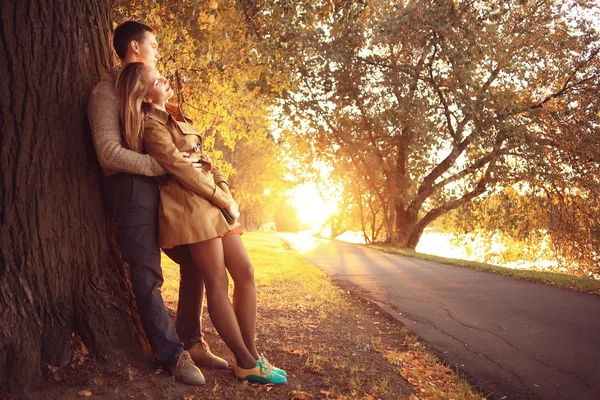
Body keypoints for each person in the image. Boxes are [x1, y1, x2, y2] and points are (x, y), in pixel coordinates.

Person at [115, 62, 288, 385]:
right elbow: (180, 169)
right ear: (143, 92)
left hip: (211, 201)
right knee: (216, 279)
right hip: (190, 207)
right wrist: (220, 198)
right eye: (156, 80)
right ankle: (246, 361)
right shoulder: (151, 125)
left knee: (246, 272)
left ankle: (251, 356)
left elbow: (205, 159)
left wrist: (224, 189)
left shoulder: (179, 116)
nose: (165, 79)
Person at [87, 21, 228, 385]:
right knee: (147, 274)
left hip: (164, 190)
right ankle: (173, 354)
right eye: (154, 46)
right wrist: (159, 165)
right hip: (131, 191)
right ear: (135, 47)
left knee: (195, 260)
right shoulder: (106, 92)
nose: (158, 53)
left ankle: (192, 341)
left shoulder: (150, 94)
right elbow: (107, 153)